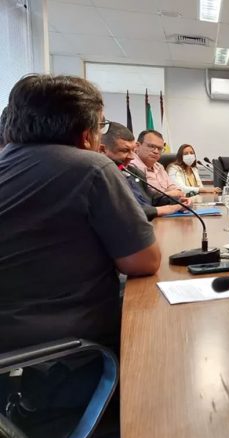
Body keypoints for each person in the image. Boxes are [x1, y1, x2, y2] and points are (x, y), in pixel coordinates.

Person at [0, 74, 160, 353]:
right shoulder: (90, 168)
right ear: (87, 133)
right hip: (74, 352)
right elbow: (143, 262)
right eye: (101, 125)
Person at [99, 122, 186, 220]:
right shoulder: (100, 176)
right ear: (102, 150)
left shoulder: (133, 172)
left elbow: (153, 198)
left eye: (132, 150)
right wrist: (170, 208)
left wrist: (178, 201)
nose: (131, 157)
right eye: (124, 151)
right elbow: (129, 210)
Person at [131, 130, 185, 198]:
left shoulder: (159, 166)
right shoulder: (130, 167)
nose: (156, 151)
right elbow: (145, 197)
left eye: (160, 148)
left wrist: (170, 193)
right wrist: (169, 193)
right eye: (151, 146)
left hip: (168, 204)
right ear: (137, 146)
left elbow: (175, 189)